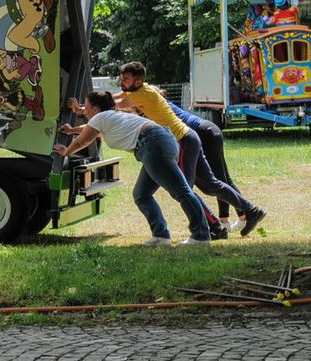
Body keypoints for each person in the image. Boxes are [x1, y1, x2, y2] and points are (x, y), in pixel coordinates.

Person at [56, 91, 211, 246]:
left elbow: (81, 142)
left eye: (86, 107)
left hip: (152, 144)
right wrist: (71, 130)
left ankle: (201, 235)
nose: (84, 110)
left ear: (95, 110)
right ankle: (161, 236)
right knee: (141, 195)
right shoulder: (110, 117)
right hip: (160, 140)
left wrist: (66, 152)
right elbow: (89, 129)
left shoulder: (100, 119)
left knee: (181, 191)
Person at [105, 61, 228, 239]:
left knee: (185, 189)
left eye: (125, 79)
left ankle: (214, 227)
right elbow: (114, 98)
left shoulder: (142, 94)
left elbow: (116, 104)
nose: (121, 82)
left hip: (181, 140)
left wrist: (90, 106)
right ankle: (163, 235)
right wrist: (89, 106)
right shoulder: (137, 89)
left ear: (138, 81)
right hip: (170, 142)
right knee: (147, 194)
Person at [167, 100, 266, 235]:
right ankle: (242, 216)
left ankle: (233, 218)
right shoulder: (160, 102)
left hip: (205, 133)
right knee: (224, 179)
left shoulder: (154, 104)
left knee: (217, 181)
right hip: (209, 130)